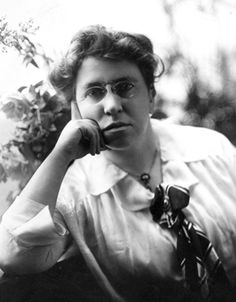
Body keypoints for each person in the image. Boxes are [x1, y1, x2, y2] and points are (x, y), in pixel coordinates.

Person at [0, 25, 236, 302]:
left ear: (151, 95)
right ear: (76, 110)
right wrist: (59, 155)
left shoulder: (211, 148)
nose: (111, 105)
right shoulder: (75, 194)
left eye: (125, 87)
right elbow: (16, 256)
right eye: (95, 92)